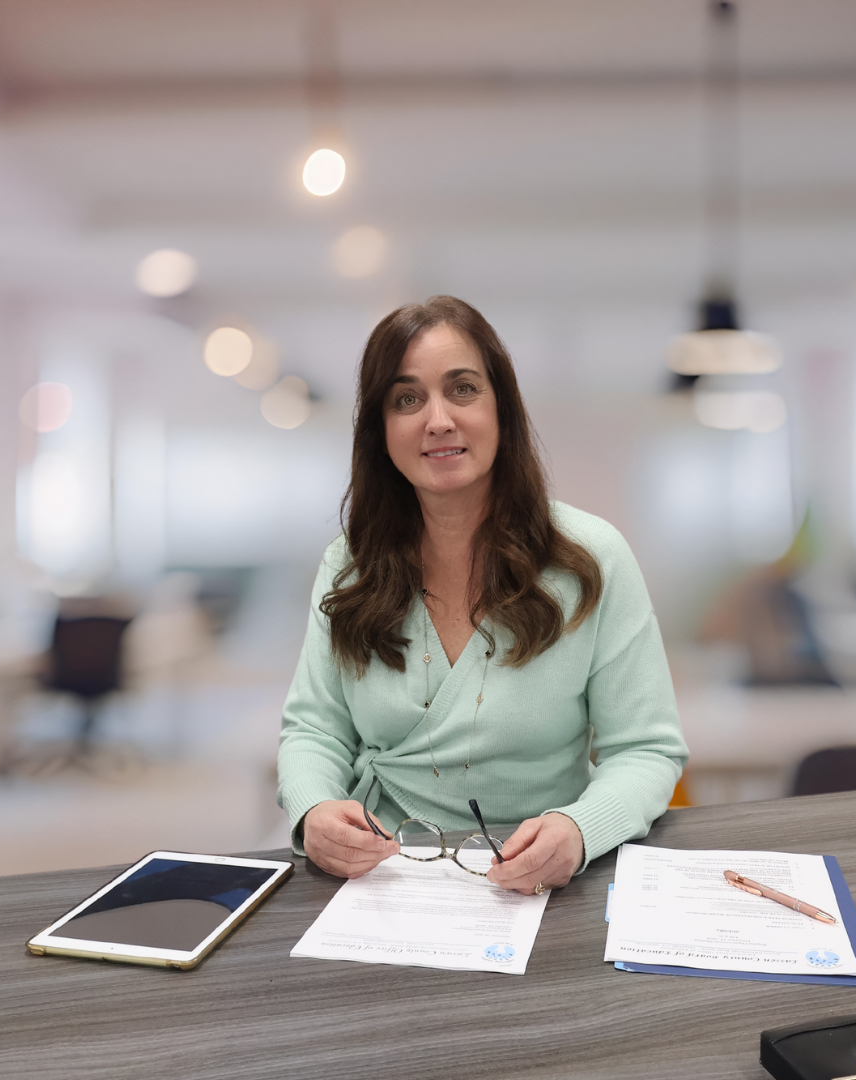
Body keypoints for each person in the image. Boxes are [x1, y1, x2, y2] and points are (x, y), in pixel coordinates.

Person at [277, 296, 688, 894]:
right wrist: (314, 807)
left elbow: (646, 749)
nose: (437, 419)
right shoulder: (349, 565)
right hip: (382, 879)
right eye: (407, 398)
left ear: (503, 409)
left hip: (541, 878)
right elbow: (314, 730)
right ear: (380, 429)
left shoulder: (591, 559)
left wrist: (578, 831)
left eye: (462, 389)